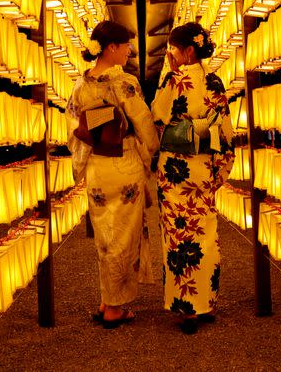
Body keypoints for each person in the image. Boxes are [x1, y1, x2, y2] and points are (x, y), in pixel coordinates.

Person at [65, 21, 159, 328]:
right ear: (111, 48)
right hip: (124, 162)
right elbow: (143, 120)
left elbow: (74, 129)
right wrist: (154, 146)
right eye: (126, 45)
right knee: (123, 235)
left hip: (96, 167)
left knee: (105, 236)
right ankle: (115, 309)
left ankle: (108, 299)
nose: (130, 50)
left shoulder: (80, 85)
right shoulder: (123, 83)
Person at [151, 22, 235, 334]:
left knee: (177, 240)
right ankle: (206, 304)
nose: (170, 55)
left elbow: (157, 114)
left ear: (187, 50)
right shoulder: (214, 81)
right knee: (205, 237)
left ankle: (187, 309)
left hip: (174, 170)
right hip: (202, 169)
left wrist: (172, 77)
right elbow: (224, 128)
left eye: (173, 49)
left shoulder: (172, 81)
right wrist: (221, 167)